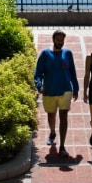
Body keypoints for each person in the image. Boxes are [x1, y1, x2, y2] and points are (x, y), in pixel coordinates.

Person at [34, 29, 79, 158]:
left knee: (64, 116)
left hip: (65, 90)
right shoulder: (45, 54)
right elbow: (37, 74)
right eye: (58, 40)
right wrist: (39, 86)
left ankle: (62, 146)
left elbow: (73, 73)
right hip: (49, 90)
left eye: (62, 40)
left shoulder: (68, 53)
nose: (60, 42)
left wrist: (75, 89)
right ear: (53, 39)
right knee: (51, 115)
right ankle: (52, 132)